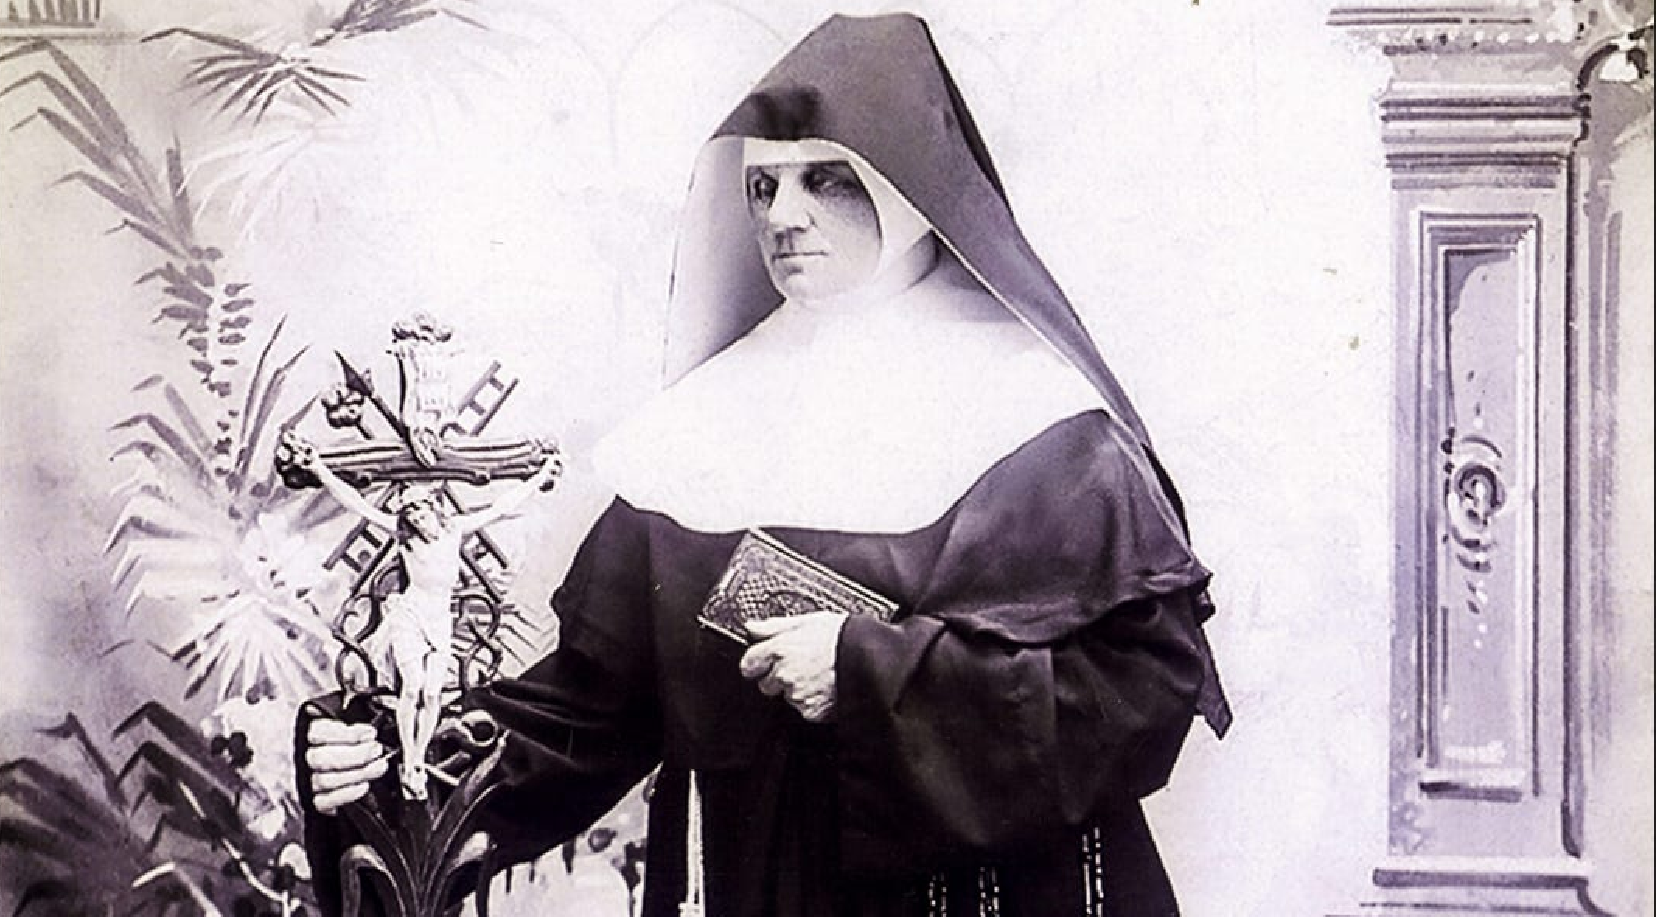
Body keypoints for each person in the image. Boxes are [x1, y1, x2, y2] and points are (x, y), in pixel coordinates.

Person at [300, 13, 1228, 917]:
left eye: (824, 179)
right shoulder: (699, 434)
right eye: (761, 186)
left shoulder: (1048, 428)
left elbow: (1140, 694)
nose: (782, 216)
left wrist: (867, 676)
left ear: (908, 191)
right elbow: (586, 711)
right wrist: (395, 762)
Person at [285, 429, 559, 800]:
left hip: (438, 620)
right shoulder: (406, 541)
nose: (416, 517)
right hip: (410, 616)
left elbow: (501, 507)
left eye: (420, 509)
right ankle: (411, 763)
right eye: (410, 513)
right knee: (411, 689)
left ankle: (417, 760)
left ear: (433, 507)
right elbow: (358, 504)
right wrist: (319, 467)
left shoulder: (454, 531)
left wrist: (539, 478)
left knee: (432, 695)